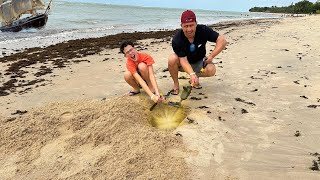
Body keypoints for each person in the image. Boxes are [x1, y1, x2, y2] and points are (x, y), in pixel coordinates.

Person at [168, 10, 227, 95]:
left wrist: (211, 56)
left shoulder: (203, 30)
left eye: (191, 25)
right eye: (186, 26)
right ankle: (176, 85)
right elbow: (183, 61)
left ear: (196, 23)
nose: (189, 29)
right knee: (172, 59)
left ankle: (195, 78)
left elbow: (222, 40)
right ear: (181, 26)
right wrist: (191, 73)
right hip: (183, 63)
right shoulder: (177, 39)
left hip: (199, 61)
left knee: (211, 70)